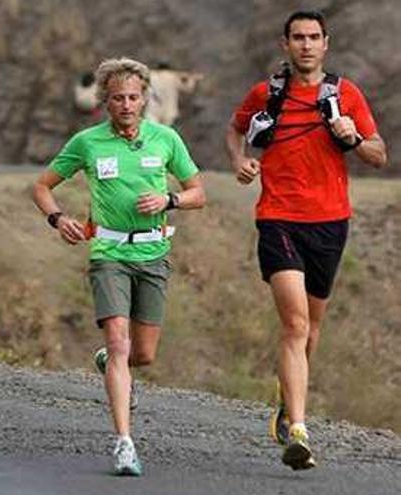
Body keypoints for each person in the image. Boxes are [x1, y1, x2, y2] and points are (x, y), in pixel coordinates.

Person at [225, 10, 387, 471]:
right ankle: (298, 429)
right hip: (278, 218)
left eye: (314, 37)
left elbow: (379, 155)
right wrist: (240, 162)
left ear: (326, 43)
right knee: (295, 325)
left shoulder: (345, 94)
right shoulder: (266, 94)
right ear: (285, 45)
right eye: (298, 37)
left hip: (331, 222)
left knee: (311, 329)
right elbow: (236, 129)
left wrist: (352, 137)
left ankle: (286, 397)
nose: (306, 45)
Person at [33, 57, 205, 476]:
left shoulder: (165, 138)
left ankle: (110, 363)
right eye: (118, 99)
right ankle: (125, 443)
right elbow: (42, 186)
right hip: (108, 255)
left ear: (145, 98)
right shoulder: (87, 142)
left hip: (153, 254)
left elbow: (198, 191)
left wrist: (170, 200)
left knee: (141, 354)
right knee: (120, 343)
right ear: (104, 102)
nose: (127, 105)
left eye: (133, 97)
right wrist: (58, 218)